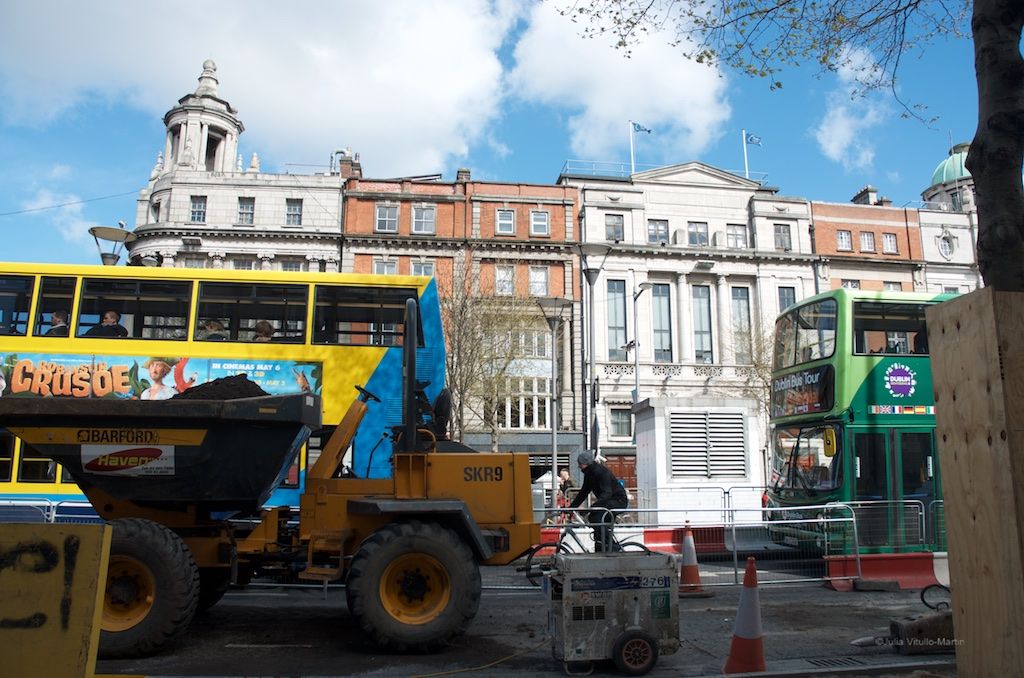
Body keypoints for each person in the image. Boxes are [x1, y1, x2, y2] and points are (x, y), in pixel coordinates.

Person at [568, 451, 629, 552]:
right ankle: (601, 546)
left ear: (586, 463)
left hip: (618, 500)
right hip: (608, 501)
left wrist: (592, 508)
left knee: (595, 517)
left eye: (580, 464)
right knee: (595, 521)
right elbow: (583, 492)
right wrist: (571, 508)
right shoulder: (589, 474)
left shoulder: (601, 472)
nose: (579, 466)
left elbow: (607, 493)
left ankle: (611, 545)